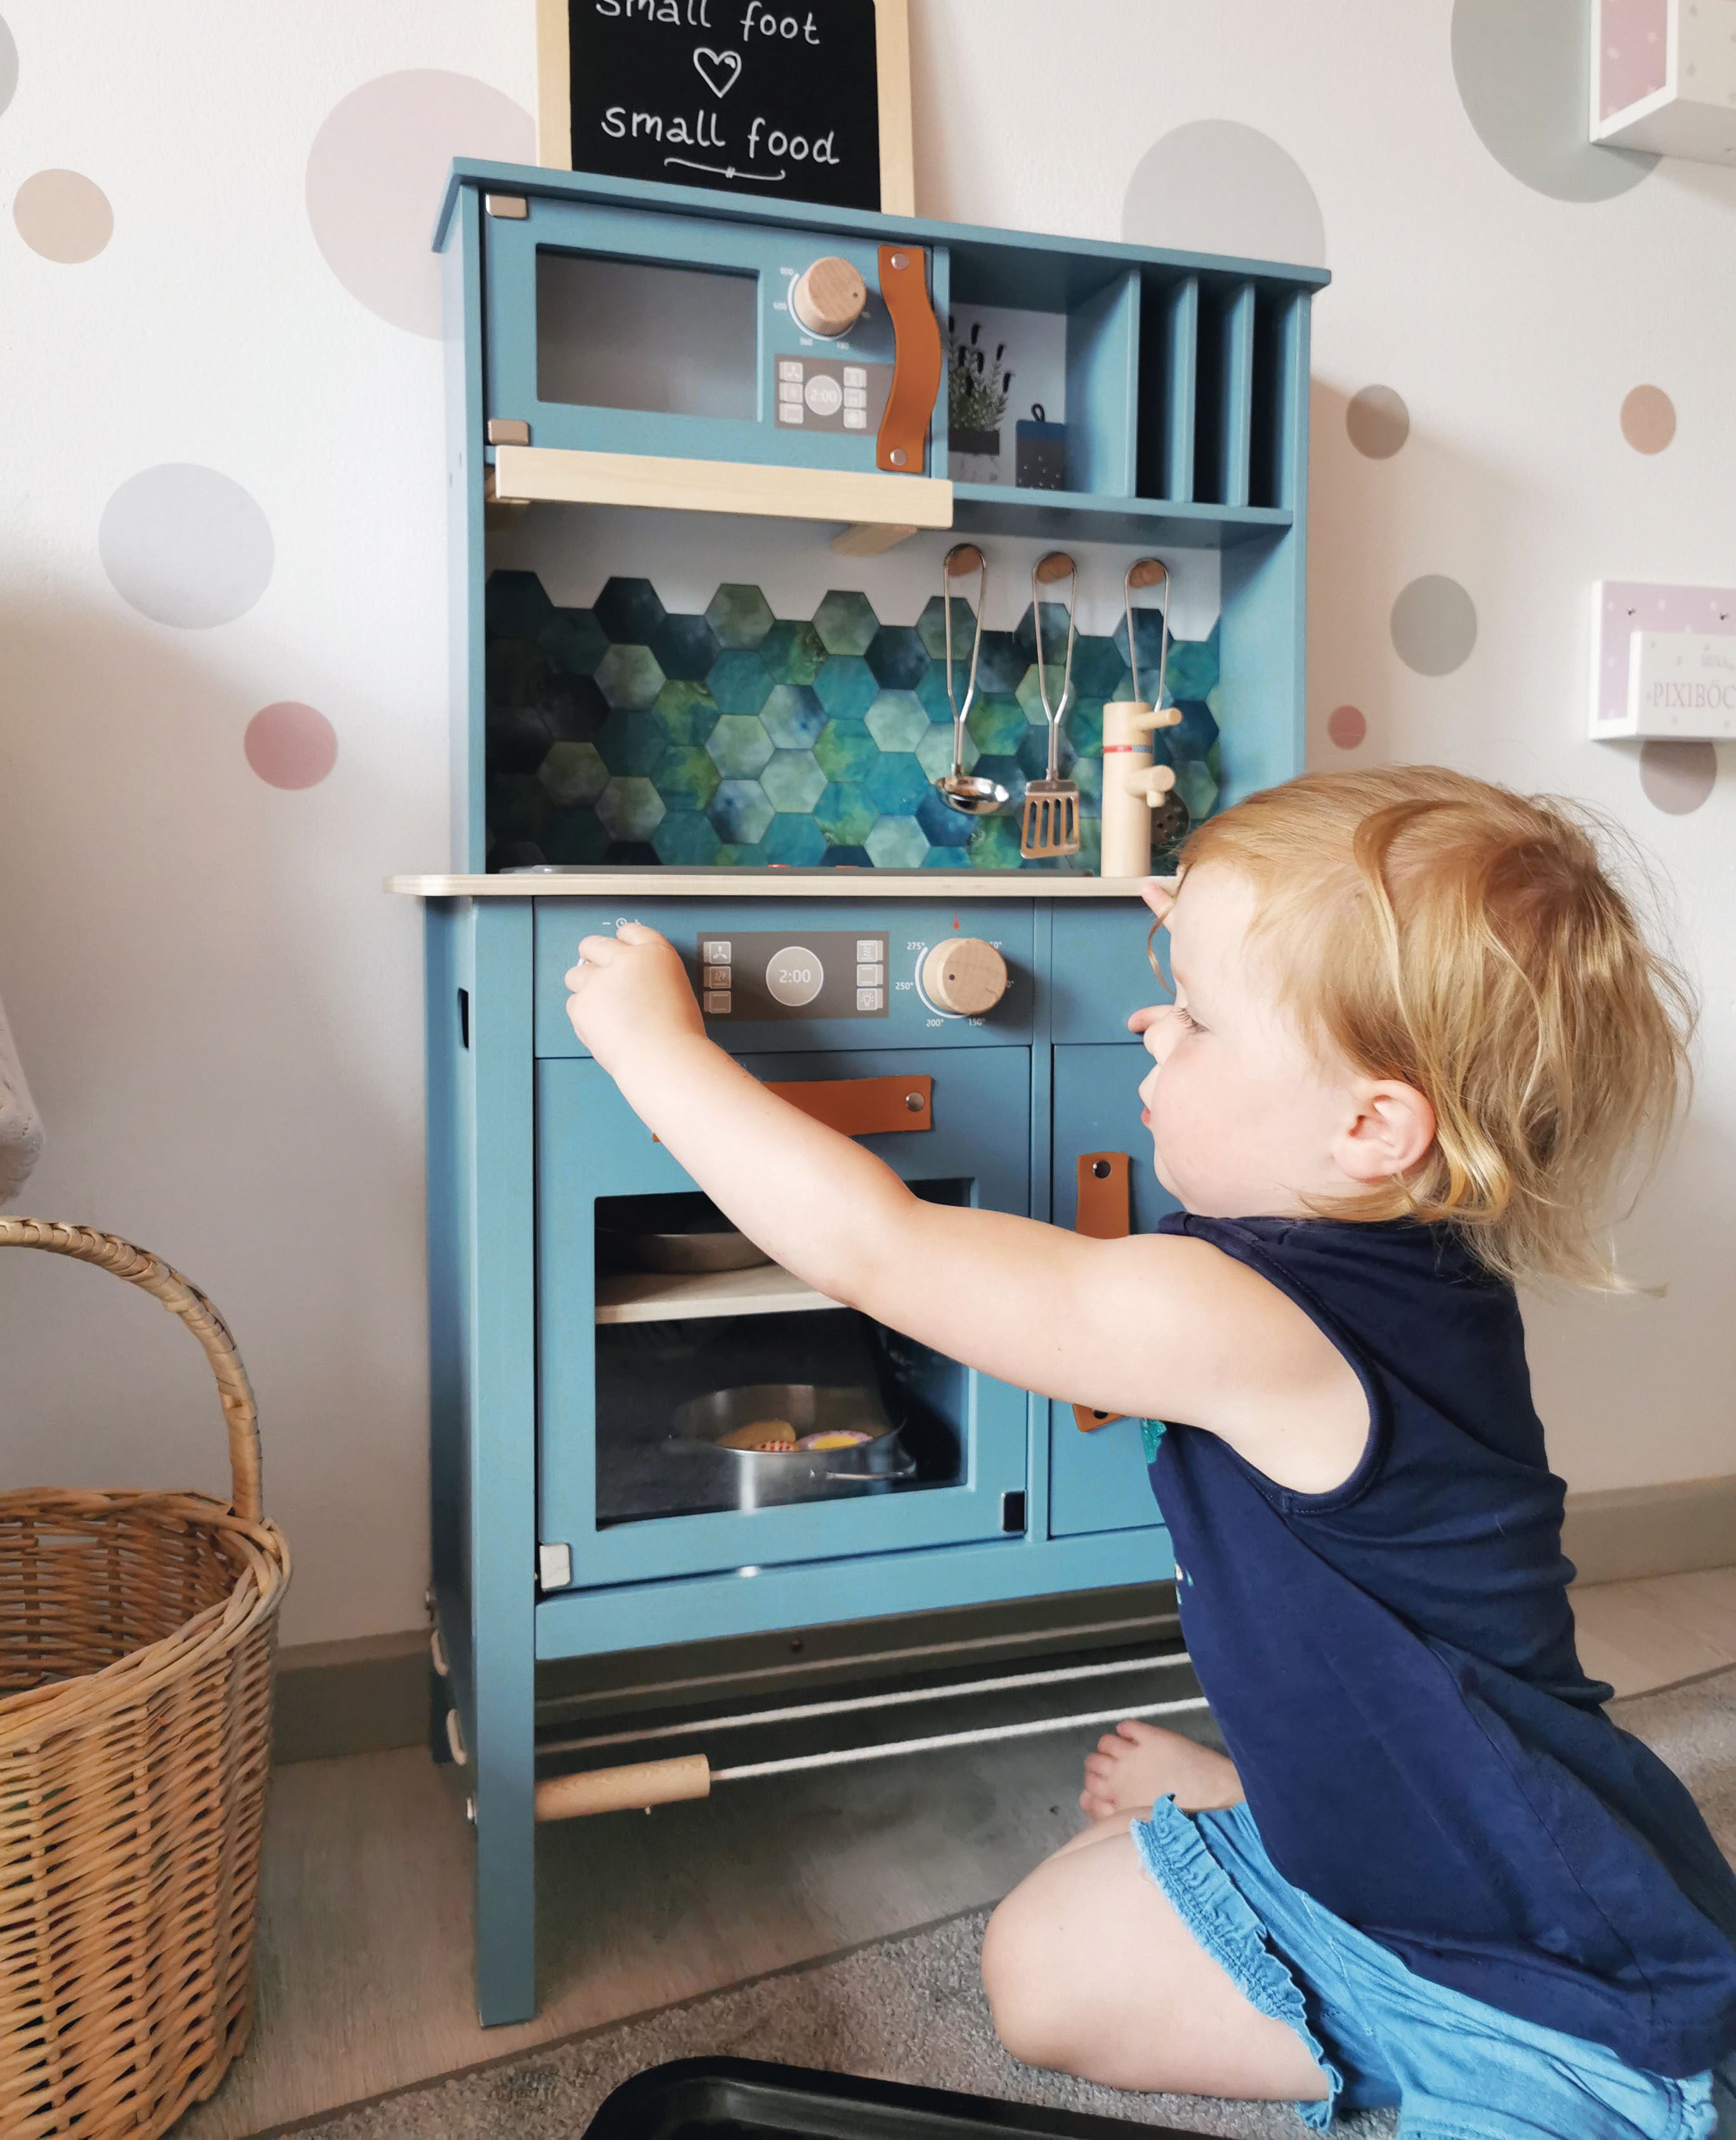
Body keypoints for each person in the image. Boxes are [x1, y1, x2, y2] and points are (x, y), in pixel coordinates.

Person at [563, 765, 1736, 2137]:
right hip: (1409, 1865)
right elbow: (1306, 1061)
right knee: (1038, 1971)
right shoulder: (1394, 1245)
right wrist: (1229, 947)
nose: (1146, 1021)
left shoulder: (1251, 1322)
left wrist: (661, 1053)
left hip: (1558, 1996)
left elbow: (880, 1247)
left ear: (1369, 1126)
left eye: (1194, 1015)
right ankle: (1283, 1807)